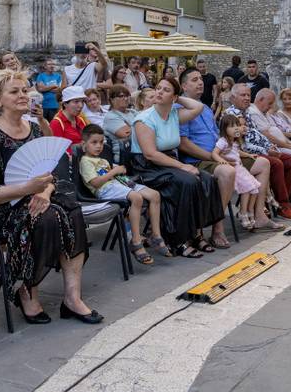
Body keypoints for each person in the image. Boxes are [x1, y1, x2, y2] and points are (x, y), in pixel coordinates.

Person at [0, 69, 101, 323]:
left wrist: (46, 191)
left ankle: (72, 298)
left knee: (72, 210)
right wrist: (29, 190)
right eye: (14, 91)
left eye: (24, 90)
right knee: (46, 217)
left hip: (37, 197)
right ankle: (27, 291)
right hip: (0, 209)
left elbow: (49, 173)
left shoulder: (33, 129)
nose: (23, 95)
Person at [131, 77, 224, 258]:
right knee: (187, 182)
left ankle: (196, 233)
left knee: (207, 180)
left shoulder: (173, 114)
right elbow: (150, 154)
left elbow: (198, 107)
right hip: (147, 166)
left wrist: (178, 97)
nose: (159, 92)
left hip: (168, 161)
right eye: (158, 88)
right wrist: (183, 166)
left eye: (165, 90)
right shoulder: (144, 118)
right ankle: (178, 240)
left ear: (174, 97)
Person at [79, 123, 170, 263]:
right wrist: (114, 172)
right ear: (84, 144)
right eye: (94, 142)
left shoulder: (102, 160)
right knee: (137, 198)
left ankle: (156, 235)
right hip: (104, 190)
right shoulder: (85, 161)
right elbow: (95, 183)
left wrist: (118, 169)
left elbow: (114, 173)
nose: (99, 146)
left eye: (101, 142)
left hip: (119, 184)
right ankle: (136, 240)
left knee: (155, 195)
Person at [177, 67, 236, 248]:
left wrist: (227, 150)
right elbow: (184, 144)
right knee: (227, 172)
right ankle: (218, 228)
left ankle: (257, 213)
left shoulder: (207, 109)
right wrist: (214, 157)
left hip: (215, 156)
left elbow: (215, 136)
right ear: (184, 86)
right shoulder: (180, 109)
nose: (200, 82)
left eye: (200, 79)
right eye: (194, 80)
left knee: (263, 162)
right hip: (198, 160)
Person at [226, 83, 291, 220]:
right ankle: (283, 206)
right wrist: (266, 150)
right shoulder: (231, 115)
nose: (247, 98)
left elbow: (257, 135)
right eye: (243, 95)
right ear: (233, 97)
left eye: (248, 95)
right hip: (244, 155)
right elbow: (244, 145)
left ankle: (282, 200)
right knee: (276, 163)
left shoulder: (246, 112)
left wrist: (270, 147)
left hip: (260, 150)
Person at [249, 88, 291, 208]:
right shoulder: (255, 113)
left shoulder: (265, 113)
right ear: (260, 100)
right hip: (270, 148)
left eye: (272, 104)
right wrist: (289, 145)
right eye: (270, 103)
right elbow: (268, 136)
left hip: (279, 145)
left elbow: (278, 132)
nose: (271, 106)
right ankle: (286, 199)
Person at [216, 113, 269, 230]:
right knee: (247, 188)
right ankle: (243, 212)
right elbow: (214, 153)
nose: (235, 128)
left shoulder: (234, 142)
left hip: (240, 168)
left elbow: (238, 152)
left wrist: (249, 155)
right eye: (231, 126)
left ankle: (250, 211)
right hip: (235, 169)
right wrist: (222, 161)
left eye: (237, 125)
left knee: (255, 188)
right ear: (224, 129)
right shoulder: (223, 141)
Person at [49, 84, 88, 149]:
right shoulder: (56, 123)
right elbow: (56, 150)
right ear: (65, 104)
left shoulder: (81, 120)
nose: (81, 105)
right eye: (76, 102)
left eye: (82, 101)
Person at [103, 84, 137, 158]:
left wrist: (131, 127)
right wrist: (140, 126)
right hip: (125, 156)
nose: (126, 98)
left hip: (138, 150)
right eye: (121, 96)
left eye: (127, 95)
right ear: (112, 100)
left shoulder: (133, 112)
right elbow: (127, 135)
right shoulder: (111, 117)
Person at [35, 57, 64, 121]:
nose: (52, 66)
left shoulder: (58, 76)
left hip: (55, 106)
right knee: (43, 127)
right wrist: (53, 85)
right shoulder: (41, 76)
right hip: (43, 106)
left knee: (53, 127)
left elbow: (59, 90)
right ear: (45, 66)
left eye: (53, 64)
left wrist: (46, 88)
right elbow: (40, 89)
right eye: (49, 64)